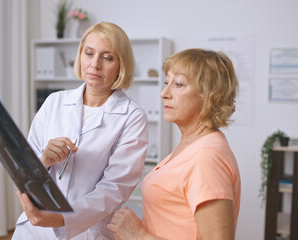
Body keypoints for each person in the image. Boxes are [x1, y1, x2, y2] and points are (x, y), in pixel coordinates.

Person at [12, 22, 148, 239]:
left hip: (87, 230)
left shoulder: (132, 117)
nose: (94, 64)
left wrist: (63, 219)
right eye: (89, 53)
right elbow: (24, 168)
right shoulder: (54, 102)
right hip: (35, 228)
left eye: (107, 57)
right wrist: (44, 159)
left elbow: (114, 189)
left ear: (121, 65)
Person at [108, 48, 241, 240]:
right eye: (166, 82)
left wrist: (139, 236)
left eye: (178, 84)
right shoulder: (191, 145)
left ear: (209, 96)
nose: (164, 93)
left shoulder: (207, 158)